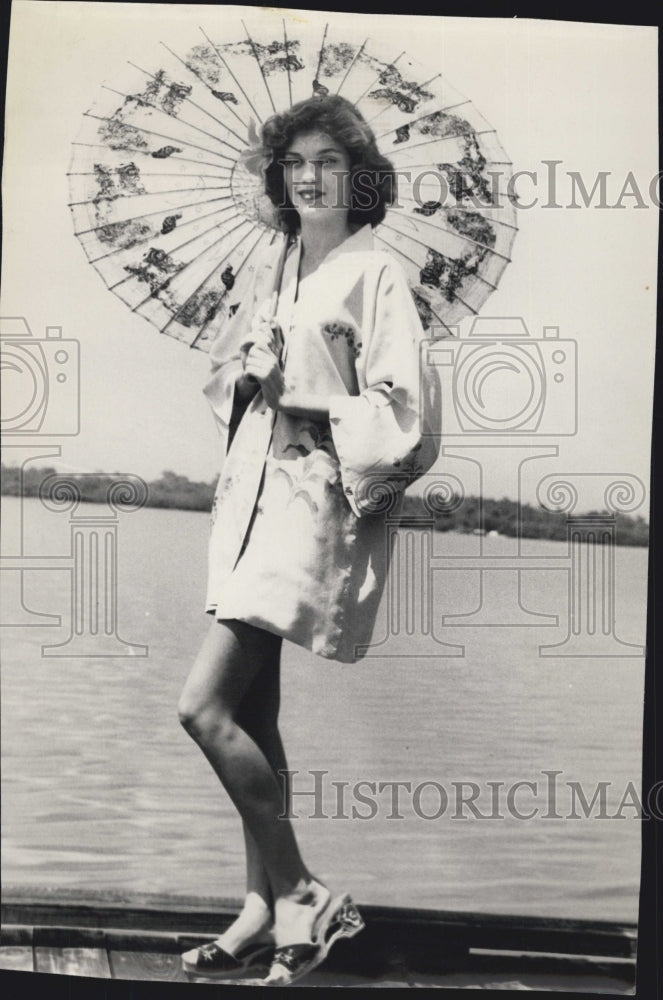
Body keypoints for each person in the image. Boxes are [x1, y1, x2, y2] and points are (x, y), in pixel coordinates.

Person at [178, 94, 440, 987]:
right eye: (294, 162)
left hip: (311, 507)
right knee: (253, 717)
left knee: (202, 709)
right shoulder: (280, 269)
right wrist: (246, 375)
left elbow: (405, 417)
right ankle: (258, 908)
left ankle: (300, 890)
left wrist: (302, 397)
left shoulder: (376, 275)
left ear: (359, 176)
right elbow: (229, 381)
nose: (309, 176)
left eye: (329, 160)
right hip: (247, 504)